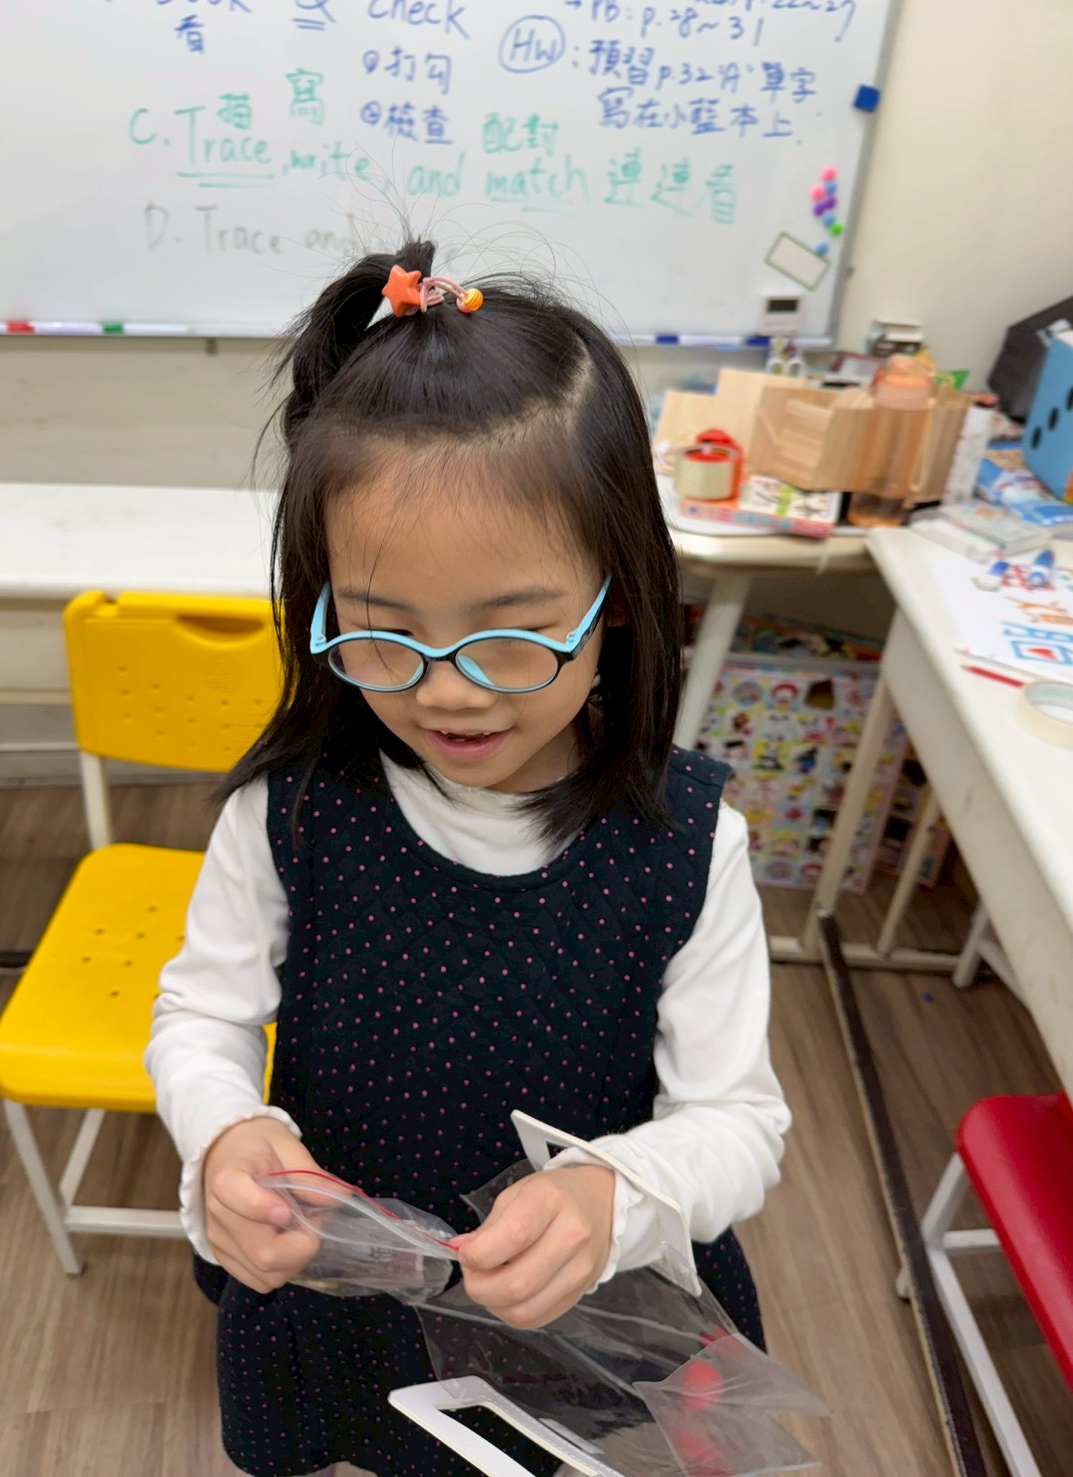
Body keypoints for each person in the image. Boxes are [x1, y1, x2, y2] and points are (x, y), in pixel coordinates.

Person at [146, 241, 790, 1477]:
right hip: (344, 1290)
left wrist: (613, 1196)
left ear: (618, 596)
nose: (447, 692)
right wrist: (223, 1131)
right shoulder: (292, 812)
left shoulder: (683, 841)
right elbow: (200, 1015)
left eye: (513, 636)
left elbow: (737, 1121)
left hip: (573, 1302)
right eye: (382, 633)